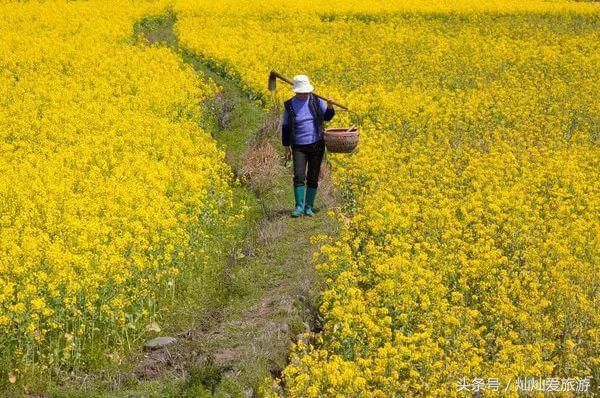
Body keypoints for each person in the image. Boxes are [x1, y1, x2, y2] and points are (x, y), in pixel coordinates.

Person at [281, 74, 335, 217]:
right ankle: (299, 207)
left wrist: (330, 106)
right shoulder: (289, 105)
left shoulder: (316, 101)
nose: (303, 93)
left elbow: (327, 117)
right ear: (296, 91)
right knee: (298, 175)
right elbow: (285, 127)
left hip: (317, 144)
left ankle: (309, 207)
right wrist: (286, 147)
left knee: (313, 175)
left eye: (305, 91)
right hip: (298, 146)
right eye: (301, 91)